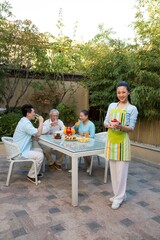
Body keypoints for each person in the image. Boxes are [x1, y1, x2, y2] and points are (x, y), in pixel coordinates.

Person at [104, 81, 138, 210]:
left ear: (128, 92)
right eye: (119, 92)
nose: (121, 95)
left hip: (123, 142)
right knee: (113, 172)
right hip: (111, 141)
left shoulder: (132, 109)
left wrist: (120, 126)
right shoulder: (112, 105)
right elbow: (105, 121)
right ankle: (118, 195)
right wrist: (109, 125)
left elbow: (131, 128)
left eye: (123, 92)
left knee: (122, 173)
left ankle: (118, 198)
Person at [13, 104, 44, 184]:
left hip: (20, 148)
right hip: (20, 152)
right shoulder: (26, 124)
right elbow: (38, 134)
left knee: (39, 150)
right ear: (28, 113)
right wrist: (41, 122)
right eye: (33, 112)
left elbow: (34, 134)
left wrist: (35, 135)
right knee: (40, 156)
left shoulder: (24, 121)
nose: (34, 114)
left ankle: (35, 172)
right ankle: (31, 176)